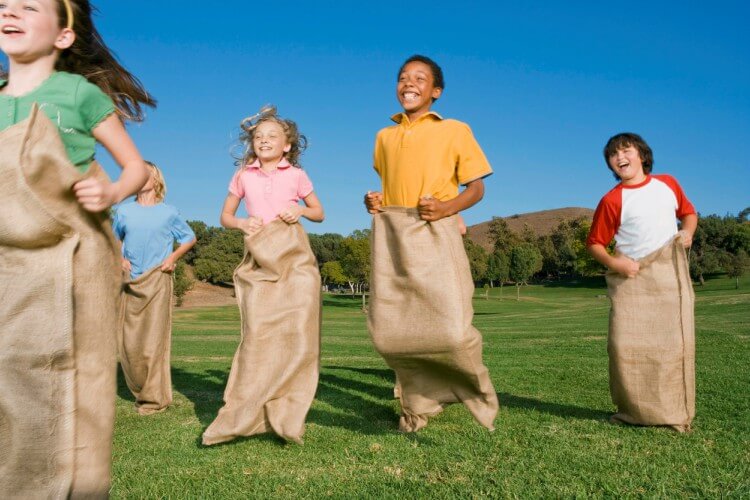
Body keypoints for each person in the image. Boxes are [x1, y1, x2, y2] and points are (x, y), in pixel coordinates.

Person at [0, 0, 152, 496]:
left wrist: (109, 192)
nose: (12, 12)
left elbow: (136, 168)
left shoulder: (79, 94)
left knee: (65, 360)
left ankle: (73, 482)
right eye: (5, 5)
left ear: (64, 36)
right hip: (10, 247)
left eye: (29, 6)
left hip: (69, 246)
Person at [364, 55, 499, 433]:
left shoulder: (454, 130)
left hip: (435, 231)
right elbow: (391, 185)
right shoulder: (383, 137)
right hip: (392, 234)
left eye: (419, 79)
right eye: (403, 78)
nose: (409, 83)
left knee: (451, 326)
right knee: (395, 328)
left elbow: (476, 187)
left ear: (435, 91)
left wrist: (445, 209)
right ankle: (416, 406)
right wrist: (373, 202)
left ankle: (471, 388)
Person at [202, 106, 324, 445]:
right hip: (259, 256)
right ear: (251, 143)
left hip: (294, 255)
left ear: (287, 145)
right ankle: (249, 411)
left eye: (272, 136)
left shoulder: (296, 175)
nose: (264, 140)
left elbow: (320, 212)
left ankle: (287, 412)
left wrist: (300, 209)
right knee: (258, 334)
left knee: (299, 331)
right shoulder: (243, 175)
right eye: (258, 137)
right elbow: (226, 215)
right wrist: (242, 222)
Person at [587, 132, 698, 432]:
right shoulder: (612, 200)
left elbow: (688, 214)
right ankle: (633, 411)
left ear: (642, 155)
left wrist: (687, 233)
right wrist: (615, 263)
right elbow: (596, 243)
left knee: (673, 346)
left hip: (667, 280)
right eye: (613, 154)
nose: (620, 157)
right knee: (624, 346)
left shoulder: (668, 184)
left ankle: (674, 413)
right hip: (631, 282)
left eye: (626, 150)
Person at [113, 161, 196, 415]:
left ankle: (154, 398)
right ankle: (140, 387)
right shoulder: (123, 212)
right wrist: (120, 257)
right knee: (129, 343)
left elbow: (189, 238)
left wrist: (173, 258)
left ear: (156, 179)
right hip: (130, 281)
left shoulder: (168, 212)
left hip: (158, 279)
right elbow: (114, 238)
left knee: (153, 342)